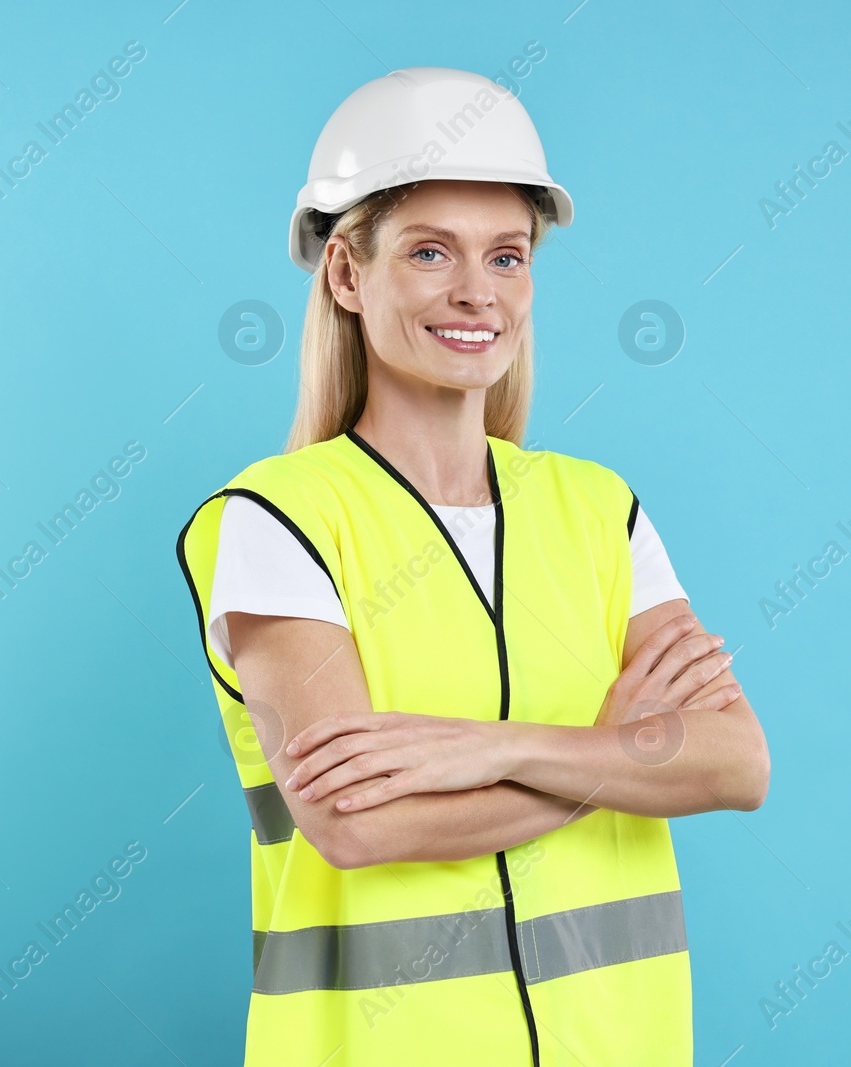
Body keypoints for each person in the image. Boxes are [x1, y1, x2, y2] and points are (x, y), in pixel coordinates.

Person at [175, 67, 770, 1067]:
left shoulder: (597, 508)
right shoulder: (275, 521)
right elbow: (356, 827)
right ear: (347, 275)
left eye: (506, 255)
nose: (475, 292)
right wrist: (613, 751)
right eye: (428, 252)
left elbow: (734, 762)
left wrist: (487, 747)